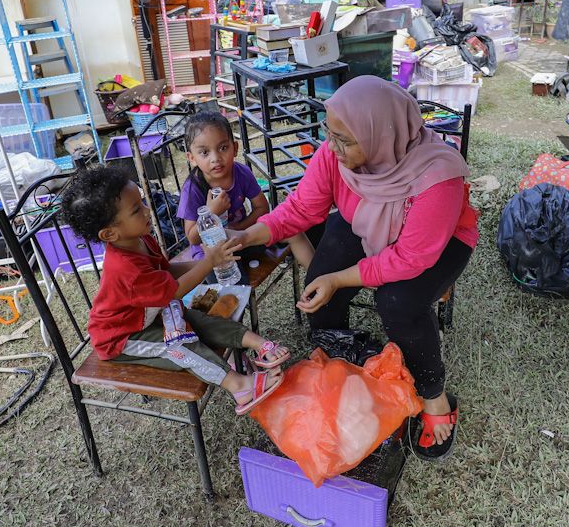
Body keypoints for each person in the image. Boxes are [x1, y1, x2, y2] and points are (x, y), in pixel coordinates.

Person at [231, 76, 477, 460]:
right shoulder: (336, 155)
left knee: (398, 302)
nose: (331, 147)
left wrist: (341, 277)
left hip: (438, 244)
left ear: (381, 134)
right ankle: (343, 368)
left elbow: (411, 258)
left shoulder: (438, 177)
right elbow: (301, 209)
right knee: (319, 290)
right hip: (364, 219)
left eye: (344, 139)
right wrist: (249, 236)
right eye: (330, 133)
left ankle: (434, 394)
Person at [61, 166, 289, 415]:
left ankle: (256, 343)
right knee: (178, 346)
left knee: (198, 319)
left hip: (150, 315)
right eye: (137, 210)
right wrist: (209, 262)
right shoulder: (125, 268)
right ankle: (240, 386)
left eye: (142, 202)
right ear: (109, 233)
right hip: (123, 338)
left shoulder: (140, 238)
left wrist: (213, 260)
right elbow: (175, 290)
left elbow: (167, 270)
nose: (148, 210)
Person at [177, 111, 313, 265]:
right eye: (204, 152)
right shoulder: (192, 189)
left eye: (223, 148)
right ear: (192, 158)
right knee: (236, 284)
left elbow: (262, 207)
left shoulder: (241, 173)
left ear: (234, 148)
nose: (215, 159)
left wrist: (240, 229)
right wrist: (211, 213)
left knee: (292, 231)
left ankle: (319, 280)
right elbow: (192, 238)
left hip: (243, 237)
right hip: (213, 253)